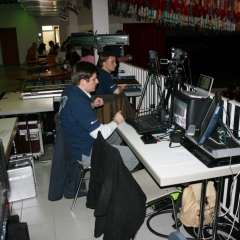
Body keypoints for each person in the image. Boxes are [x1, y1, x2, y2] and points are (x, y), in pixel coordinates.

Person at [58, 61, 139, 171]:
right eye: (94, 79)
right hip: (86, 152)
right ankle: (112, 180)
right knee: (135, 156)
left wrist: (91, 105)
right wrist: (115, 121)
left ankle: (113, 160)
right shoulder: (79, 102)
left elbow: (74, 113)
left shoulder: (69, 90)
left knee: (120, 132)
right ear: (82, 82)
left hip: (78, 143)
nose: (97, 81)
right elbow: (101, 134)